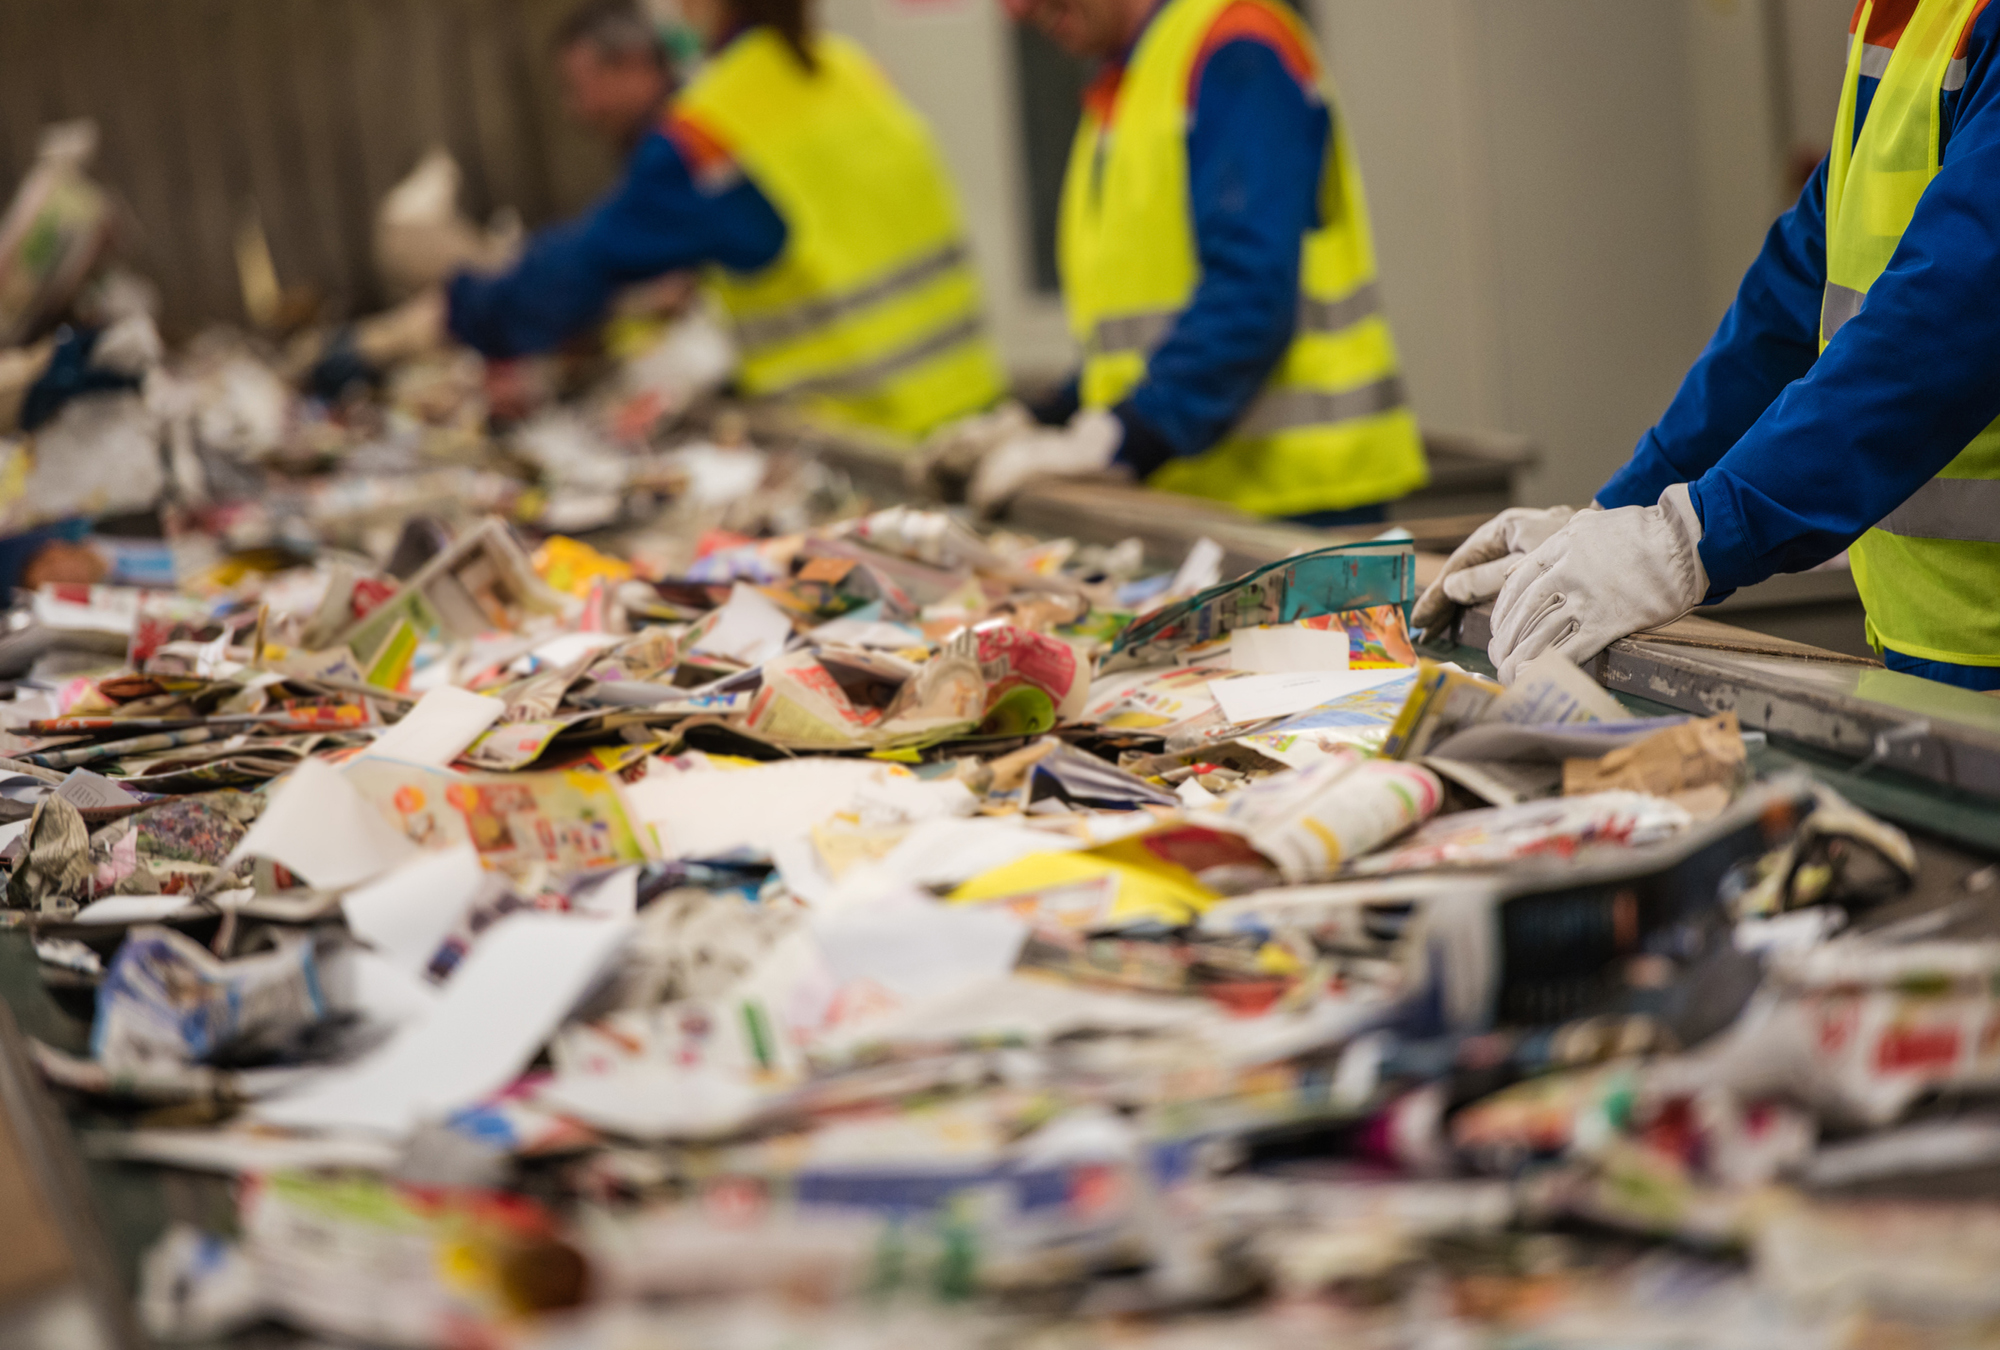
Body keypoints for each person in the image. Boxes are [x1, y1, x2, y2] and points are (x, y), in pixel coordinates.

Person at [1419, 0, 2000, 691]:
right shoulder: (1910, 14)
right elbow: (1796, 294)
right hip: (1944, 661)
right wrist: (1621, 517)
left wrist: (1696, 535)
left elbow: (1950, 318)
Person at [432, 0, 1006, 441]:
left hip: (858, 435)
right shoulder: (848, 68)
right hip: (971, 417)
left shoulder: (710, 131)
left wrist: (456, 308)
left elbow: (578, 269)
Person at [955, 0, 1429, 523]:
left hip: (1295, 513)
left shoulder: (1234, 45)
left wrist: (1116, 441)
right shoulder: (1135, 80)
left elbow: (1248, 298)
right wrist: (1042, 419)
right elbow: (1139, 336)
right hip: (1211, 509)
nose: (1016, 11)